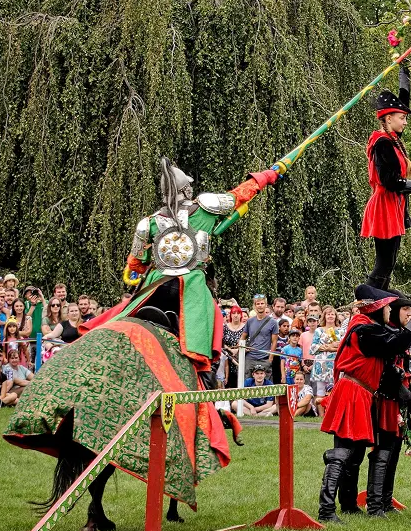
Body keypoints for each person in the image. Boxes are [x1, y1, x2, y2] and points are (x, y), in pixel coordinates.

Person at [97, 157, 280, 375]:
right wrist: (266, 176)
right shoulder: (205, 207)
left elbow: (135, 264)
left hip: (156, 285)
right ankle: (203, 367)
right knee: (209, 321)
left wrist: (141, 265)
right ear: (185, 190)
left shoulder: (148, 223)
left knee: (121, 317)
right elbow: (241, 194)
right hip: (191, 283)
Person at [317, 284, 411, 522]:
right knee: (343, 452)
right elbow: (397, 343)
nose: (390, 311)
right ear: (378, 308)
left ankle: (347, 505)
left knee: (353, 453)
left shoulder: (368, 328)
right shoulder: (365, 331)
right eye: (388, 307)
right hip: (353, 392)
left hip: (360, 392)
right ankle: (326, 510)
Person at [360, 61, 411, 290]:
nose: (405, 121)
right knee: (384, 262)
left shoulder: (392, 139)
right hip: (385, 203)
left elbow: (403, 100)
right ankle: (368, 298)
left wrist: (405, 73)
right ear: (388, 118)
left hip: (394, 204)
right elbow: (391, 181)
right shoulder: (382, 143)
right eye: (401, 118)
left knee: (390, 262)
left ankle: (381, 296)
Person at [242, 295, 279, 377]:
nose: (260, 305)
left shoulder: (273, 322)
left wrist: (270, 358)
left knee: (265, 385)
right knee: (248, 383)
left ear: (266, 305)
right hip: (250, 358)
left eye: (262, 303)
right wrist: (243, 347)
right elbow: (243, 337)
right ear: (254, 306)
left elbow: (274, 342)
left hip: (265, 358)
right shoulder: (250, 321)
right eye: (258, 304)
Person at [221, 304, 246, 388]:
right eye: (233, 313)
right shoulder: (225, 327)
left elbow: (248, 343)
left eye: (238, 313)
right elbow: (221, 342)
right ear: (230, 315)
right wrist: (230, 350)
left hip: (241, 358)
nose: (236, 315)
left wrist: (238, 350)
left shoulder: (245, 327)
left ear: (241, 315)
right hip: (227, 358)